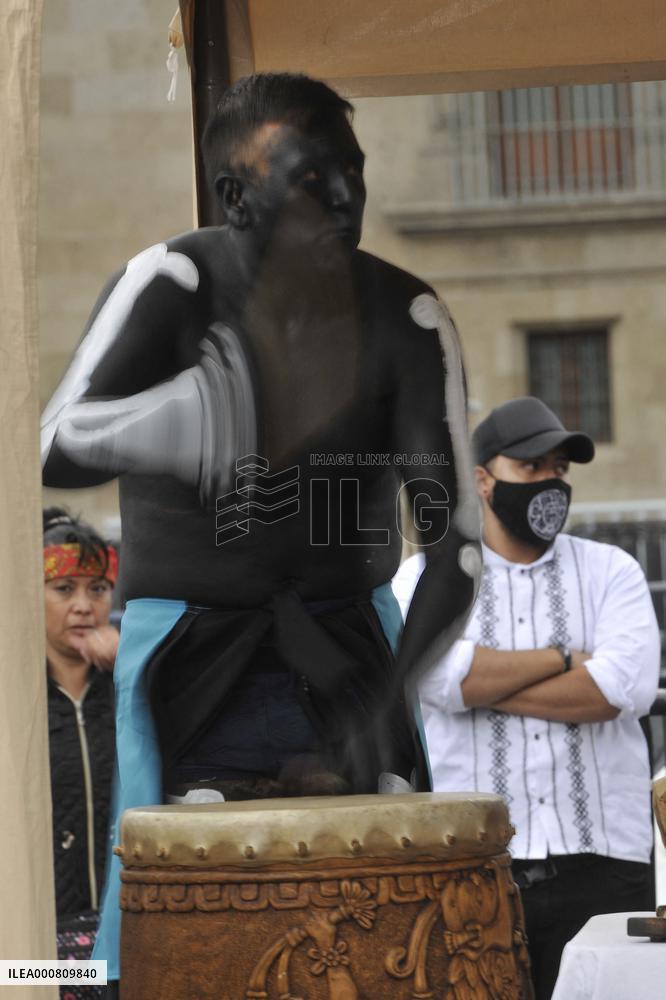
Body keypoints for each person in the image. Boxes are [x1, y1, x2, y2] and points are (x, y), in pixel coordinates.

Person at [40, 74, 481, 983]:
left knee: (384, 940)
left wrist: (389, 694)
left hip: (354, 654)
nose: (348, 196)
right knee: (185, 936)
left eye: (352, 171)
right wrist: (179, 418)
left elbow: (456, 550)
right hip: (190, 664)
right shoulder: (168, 283)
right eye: (313, 177)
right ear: (237, 197)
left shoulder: (409, 319)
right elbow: (50, 443)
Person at [394, 396, 661, 999]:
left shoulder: (611, 570)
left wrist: (479, 687)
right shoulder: (425, 579)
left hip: (603, 863)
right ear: (483, 480)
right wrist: (566, 658)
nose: (550, 484)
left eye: (560, 470)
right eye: (532, 468)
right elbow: (433, 679)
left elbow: (626, 687)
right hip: (470, 864)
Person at [43, 507, 119, 996]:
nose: (84, 606)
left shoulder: (129, 682)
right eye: (64, 588)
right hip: (36, 943)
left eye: (98, 588)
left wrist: (134, 665)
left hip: (122, 932)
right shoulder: (14, 702)